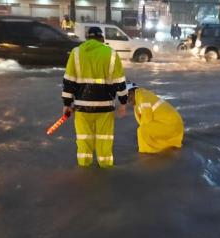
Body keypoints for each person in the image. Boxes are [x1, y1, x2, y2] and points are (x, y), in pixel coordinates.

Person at [62, 27, 128, 167]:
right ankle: (105, 168)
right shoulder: (111, 53)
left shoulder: (76, 53)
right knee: (104, 139)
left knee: (84, 139)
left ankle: (84, 170)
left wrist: (67, 104)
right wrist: (123, 103)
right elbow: (120, 81)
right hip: (105, 106)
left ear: (87, 38)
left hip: (82, 106)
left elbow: (68, 81)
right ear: (102, 38)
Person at [126, 82, 184, 153]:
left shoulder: (142, 98)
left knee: (142, 131)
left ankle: (146, 154)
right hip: (173, 125)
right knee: (144, 130)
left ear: (132, 91)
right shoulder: (141, 96)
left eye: (127, 95)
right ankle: (164, 149)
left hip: (171, 125)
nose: (127, 99)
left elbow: (146, 121)